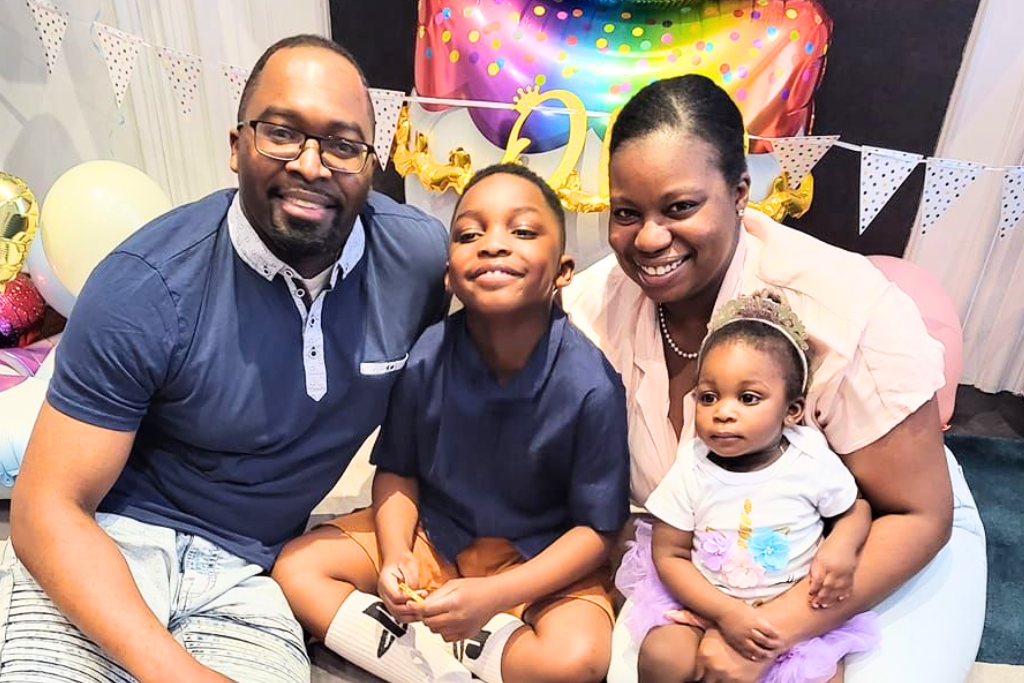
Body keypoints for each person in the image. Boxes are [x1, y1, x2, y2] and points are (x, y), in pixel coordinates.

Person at [0, 35, 448, 683]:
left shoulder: (417, 261)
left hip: (250, 575)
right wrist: (173, 670)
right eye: (283, 132)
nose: (312, 164)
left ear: (371, 165)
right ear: (235, 145)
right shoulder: (145, 281)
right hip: (113, 542)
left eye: (343, 144)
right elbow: (47, 510)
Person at [561, 73, 986, 683]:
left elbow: (918, 516)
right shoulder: (591, 306)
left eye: (681, 207)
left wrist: (767, 633)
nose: (650, 238)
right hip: (715, 553)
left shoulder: (842, 311)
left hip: (877, 538)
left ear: (740, 191)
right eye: (627, 212)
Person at [272, 163, 631, 683]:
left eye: (523, 231)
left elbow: (598, 531)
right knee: (296, 570)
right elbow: (397, 472)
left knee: (577, 659)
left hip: (535, 561)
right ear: (449, 272)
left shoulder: (591, 385)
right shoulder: (429, 353)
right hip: (435, 540)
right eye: (469, 234)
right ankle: (434, 666)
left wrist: (497, 596)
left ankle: (457, 642)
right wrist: (397, 556)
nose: (493, 245)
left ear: (562, 271)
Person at [618, 291, 877, 683]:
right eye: (708, 397)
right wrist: (723, 612)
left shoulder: (810, 459)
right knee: (663, 656)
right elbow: (668, 553)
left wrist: (842, 546)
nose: (723, 411)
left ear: (791, 411)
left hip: (788, 613)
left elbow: (855, 508)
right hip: (704, 604)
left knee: (822, 677)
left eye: (748, 398)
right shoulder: (692, 464)